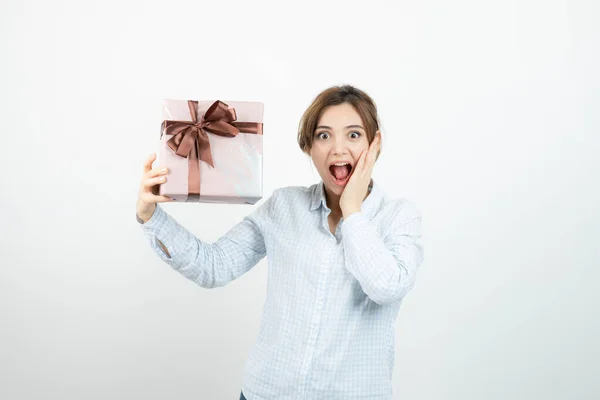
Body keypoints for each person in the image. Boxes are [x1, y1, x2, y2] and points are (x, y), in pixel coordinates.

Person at [136, 85, 424, 400]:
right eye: (324, 136)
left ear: (375, 143)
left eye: (353, 135)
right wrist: (151, 216)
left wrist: (353, 212)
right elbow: (214, 267)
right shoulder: (284, 206)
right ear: (308, 147)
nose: (338, 149)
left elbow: (386, 288)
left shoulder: (399, 217)